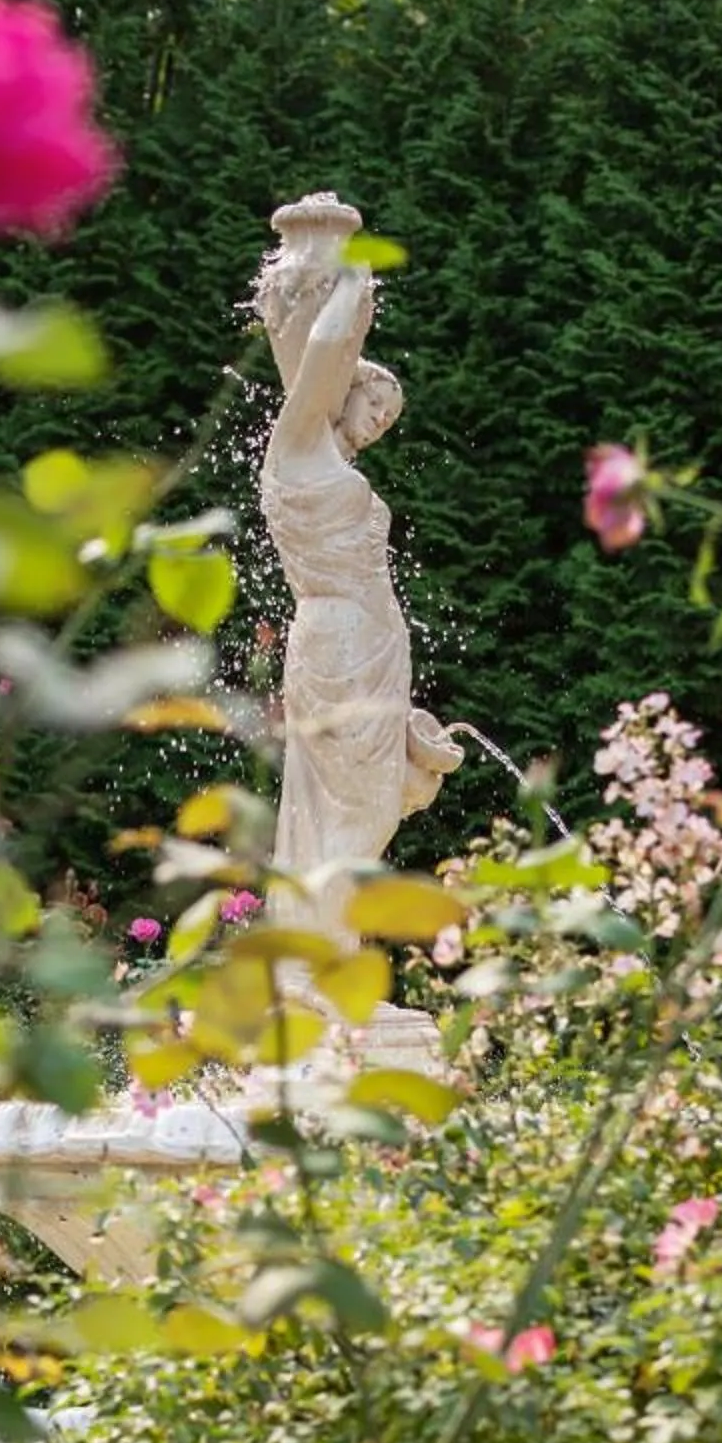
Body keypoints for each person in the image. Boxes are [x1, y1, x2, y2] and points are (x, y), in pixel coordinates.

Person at [255, 210, 457, 945]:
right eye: (375, 403)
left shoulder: (322, 460)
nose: (379, 422)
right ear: (345, 387)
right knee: (357, 807)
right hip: (338, 642)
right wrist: (354, 274)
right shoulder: (299, 443)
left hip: (368, 648)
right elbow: (326, 348)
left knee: (354, 808)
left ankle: (318, 949)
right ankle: (314, 952)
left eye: (389, 418)